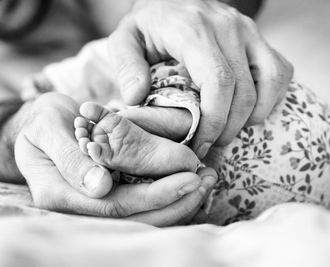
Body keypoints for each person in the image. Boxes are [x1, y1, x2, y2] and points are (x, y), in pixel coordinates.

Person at [0, 0, 294, 225]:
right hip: (292, 157)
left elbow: (91, 64)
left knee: (166, 89)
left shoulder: (103, 51)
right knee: (107, 139)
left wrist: (171, 7)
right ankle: (150, 144)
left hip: (257, 117)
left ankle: (154, 130)